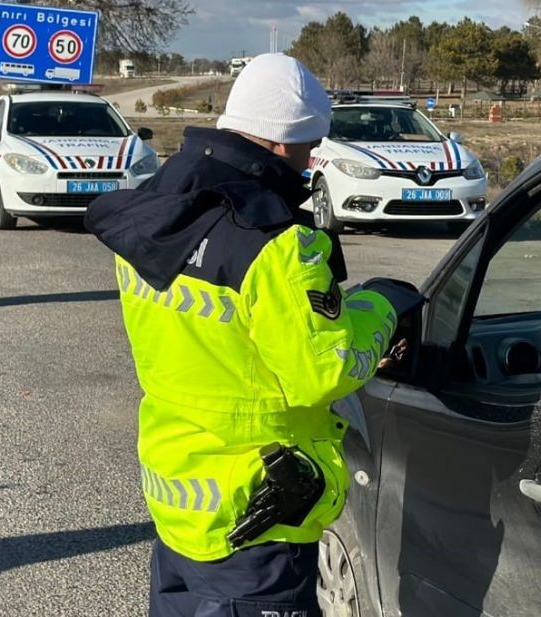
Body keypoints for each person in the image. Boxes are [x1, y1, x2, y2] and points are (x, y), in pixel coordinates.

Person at [85, 53, 401, 616]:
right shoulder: (276, 245)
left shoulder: (157, 212)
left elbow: (225, 334)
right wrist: (383, 307)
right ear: (281, 144)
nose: (309, 163)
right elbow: (321, 371)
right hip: (256, 519)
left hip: (178, 499)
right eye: (307, 148)